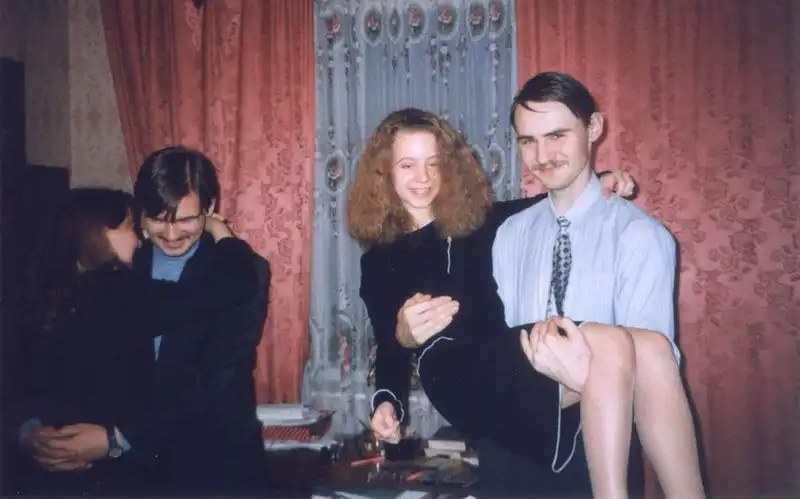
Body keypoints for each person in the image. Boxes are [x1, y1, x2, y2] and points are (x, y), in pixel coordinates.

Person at [348, 108, 703, 499]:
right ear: (385, 173)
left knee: (651, 346)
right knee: (608, 343)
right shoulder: (380, 259)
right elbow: (389, 345)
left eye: (434, 163)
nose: (424, 177)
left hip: (507, 352)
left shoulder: (482, 222)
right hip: (454, 371)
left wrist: (596, 182)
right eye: (408, 165)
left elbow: (550, 202)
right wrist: (388, 396)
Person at [23, 147, 271, 496]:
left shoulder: (244, 271)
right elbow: (61, 364)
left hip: (211, 467)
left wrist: (118, 438)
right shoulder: (114, 265)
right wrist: (32, 429)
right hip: (121, 476)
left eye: (186, 220)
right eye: (157, 218)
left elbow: (210, 380)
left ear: (210, 208)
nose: (171, 234)